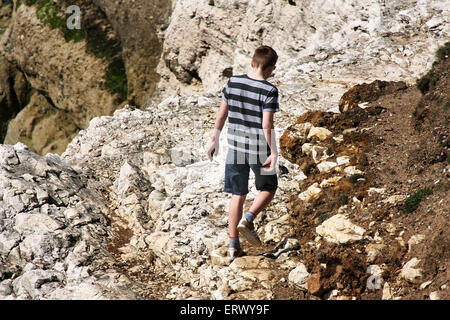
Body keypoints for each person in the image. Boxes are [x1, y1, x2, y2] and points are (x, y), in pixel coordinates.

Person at [206, 45, 279, 260]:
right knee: (268, 187)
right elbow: (267, 125)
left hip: (235, 146)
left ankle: (233, 247)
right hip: (258, 147)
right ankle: (248, 219)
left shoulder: (233, 82)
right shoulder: (269, 90)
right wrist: (273, 152)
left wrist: (214, 140)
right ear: (271, 68)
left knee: (237, 194)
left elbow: (221, 115)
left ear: (251, 62)